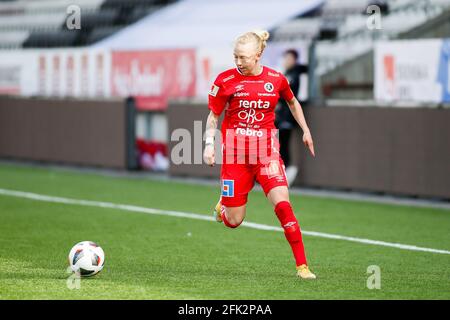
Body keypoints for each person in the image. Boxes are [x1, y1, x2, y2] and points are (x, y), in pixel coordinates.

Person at [203, 30, 316, 279]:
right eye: (235, 57)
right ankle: (224, 206)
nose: (238, 62)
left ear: (258, 54)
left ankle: (302, 266)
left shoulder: (276, 79)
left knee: (283, 206)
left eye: (243, 57)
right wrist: (209, 144)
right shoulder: (224, 80)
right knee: (234, 221)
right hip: (235, 158)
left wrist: (306, 130)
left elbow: (293, 102)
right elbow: (214, 115)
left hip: (267, 155)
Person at [275, 49, 309, 186]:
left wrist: (277, 100)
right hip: (281, 117)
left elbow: (288, 96)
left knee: (283, 144)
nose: (286, 61)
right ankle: (282, 171)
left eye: (289, 58)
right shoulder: (288, 73)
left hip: (287, 117)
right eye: (285, 58)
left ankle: (287, 171)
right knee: (279, 144)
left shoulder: (294, 74)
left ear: (294, 60)